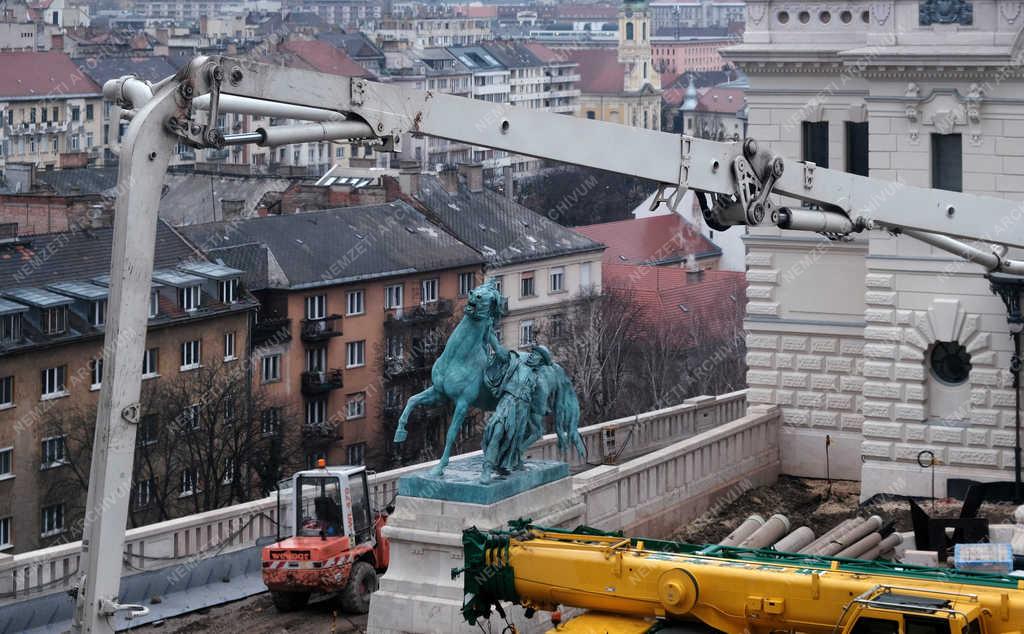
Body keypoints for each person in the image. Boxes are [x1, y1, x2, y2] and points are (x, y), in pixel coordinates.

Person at [479, 333, 551, 483]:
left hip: (521, 411)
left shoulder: (537, 379)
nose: (532, 356)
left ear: (541, 362)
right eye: (532, 353)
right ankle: (487, 469)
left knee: (510, 441)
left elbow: (537, 405)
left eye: (536, 356)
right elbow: (500, 351)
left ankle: (504, 464)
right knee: (496, 431)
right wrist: (488, 332)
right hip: (506, 403)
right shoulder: (516, 363)